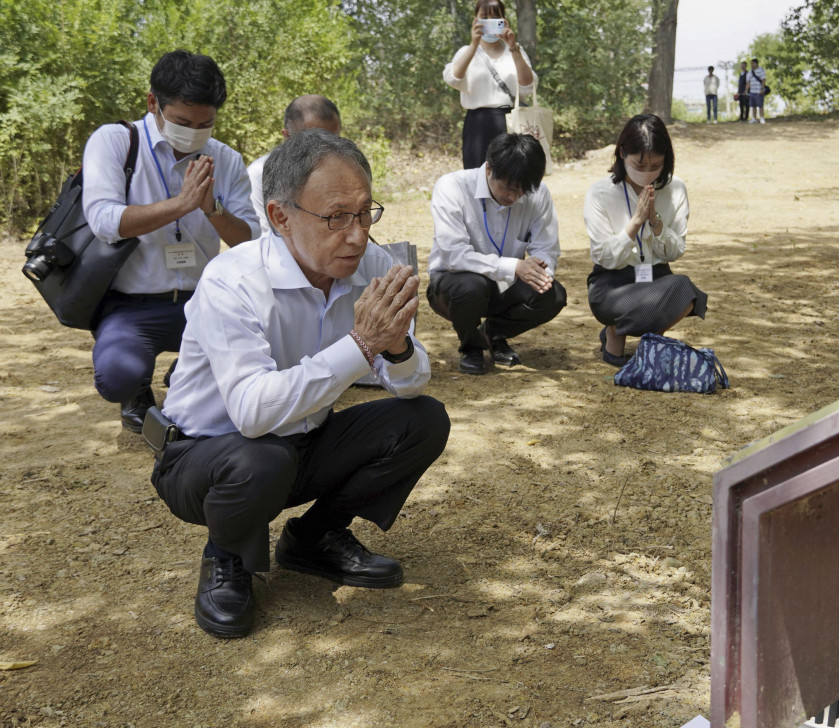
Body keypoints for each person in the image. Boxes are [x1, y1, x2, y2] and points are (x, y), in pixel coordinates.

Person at [151, 130, 449, 639]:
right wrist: (360, 345)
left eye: (364, 213)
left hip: (301, 444)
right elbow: (251, 413)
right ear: (280, 216)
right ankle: (227, 555)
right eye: (336, 217)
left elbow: (412, 384)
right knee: (262, 456)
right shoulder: (233, 280)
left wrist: (396, 346)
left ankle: (314, 538)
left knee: (422, 420)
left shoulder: (370, 264)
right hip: (208, 460)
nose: (356, 235)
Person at [82, 50, 259, 432]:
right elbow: (104, 220)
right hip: (132, 304)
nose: (194, 132)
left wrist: (212, 209)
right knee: (117, 376)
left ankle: (188, 370)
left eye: (205, 123)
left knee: (268, 352)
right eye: (182, 121)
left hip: (204, 299)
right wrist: (180, 205)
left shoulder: (225, 160)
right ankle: (137, 390)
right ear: (153, 103)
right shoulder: (115, 141)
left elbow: (250, 239)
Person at [427, 133, 564, 374]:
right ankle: (471, 347)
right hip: (453, 284)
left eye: (522, 191)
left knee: (552, 295)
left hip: (506, 284)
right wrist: (515, 267)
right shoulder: (452, 186)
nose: (514, 197)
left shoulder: (538, 194)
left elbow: (546, 248)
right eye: (509, 188)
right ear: (489, 169)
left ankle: (492, 333)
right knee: (471, 286)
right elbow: (454, 255)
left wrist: (541, 271)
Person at [583, 114, 706, 366]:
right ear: (621, 155)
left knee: (685, 290)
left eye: (656, 165)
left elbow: (675, 251)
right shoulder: (600, 192)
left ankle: (646, 337)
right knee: (643, 299)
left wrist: (656, 222)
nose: (647, 174)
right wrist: (635, 223)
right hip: (613, 283)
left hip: (656, 277)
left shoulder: (676, 189)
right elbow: (603, 256)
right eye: (639, 166)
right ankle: (615, 332)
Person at [444, 0, 537, 170]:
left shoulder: (515, 51)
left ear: (504, 20)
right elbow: (454, 78)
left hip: (511, 122)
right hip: (477, 125)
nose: (490, 22)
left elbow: (528, 85)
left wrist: (513, 47)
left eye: (495, 17)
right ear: (475, 20)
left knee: (511, 177)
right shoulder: (466, 51)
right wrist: (474, 44)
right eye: (484, 17)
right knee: (477, 177)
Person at [248, 95, 342, 235]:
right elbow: (261, 238)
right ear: (287, 137)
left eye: (333, 140)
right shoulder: (259, 174)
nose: (325, 150)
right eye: (313, 142)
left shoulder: (345, 169)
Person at [747, 58, 766, 124]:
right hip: (752, 91)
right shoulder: (749, 72)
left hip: (759, 91)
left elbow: (763, 80)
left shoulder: (761, 70)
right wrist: (746, 91)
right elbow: (748, 82)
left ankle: (761, 118)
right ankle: (754, 118)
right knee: (753, 106)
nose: (751, 65)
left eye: (752, 63)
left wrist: (762, 88)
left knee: (760, 105)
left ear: (756, 63)